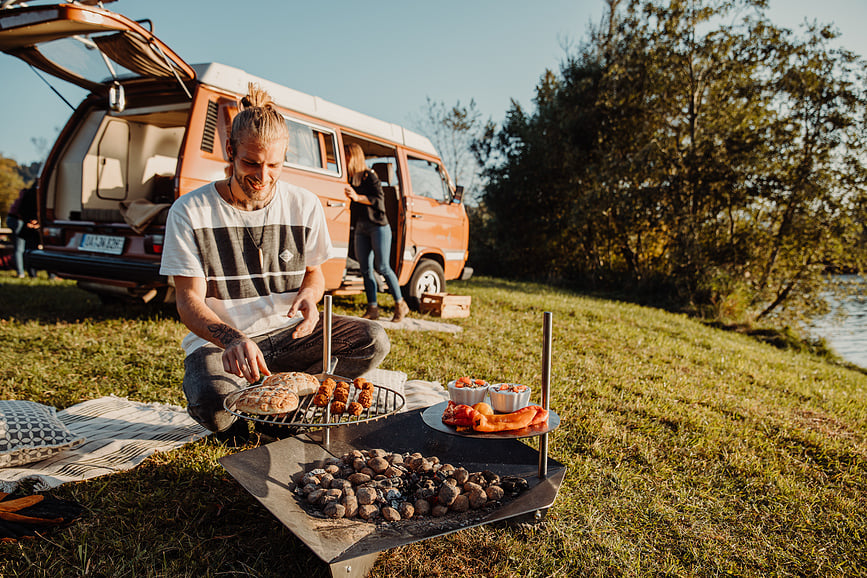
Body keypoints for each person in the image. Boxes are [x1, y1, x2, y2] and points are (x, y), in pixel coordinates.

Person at [159, 84, 390, 438]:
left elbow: (315, 274)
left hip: (287, 336)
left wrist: (310, 298)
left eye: (274, 165)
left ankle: (286, 399)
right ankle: (257, 406)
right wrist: (234, 339)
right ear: (230, 151)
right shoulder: (190, 210)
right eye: (251, 162)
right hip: (222, 344)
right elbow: (188, 301)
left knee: (373, 338)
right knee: (214, 405)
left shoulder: (304, 204)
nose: (263, 177)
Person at [343, 143, 409, 322]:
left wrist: (357, 197)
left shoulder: (370, 176)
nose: (345, 160)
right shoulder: (351, 179)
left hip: (378, 226)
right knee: (365, 269)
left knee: (382, 267)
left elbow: (379, 200)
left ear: (354, 157)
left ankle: (400, 303)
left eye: (347, 157)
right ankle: (372, 308)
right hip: (361, 228)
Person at [6, 184, 39, 278]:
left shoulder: (27, 193)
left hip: (18, 219)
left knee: (21, 247)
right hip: (19, 220)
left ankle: (22, 272)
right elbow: (25, 211)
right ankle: (22, 272)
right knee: (20, 247)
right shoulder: (32, 195)